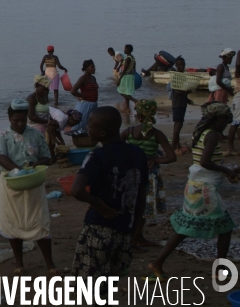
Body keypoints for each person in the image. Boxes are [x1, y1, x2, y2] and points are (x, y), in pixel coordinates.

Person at [148, 102, 239, 280]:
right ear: (217, 119)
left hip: (196, 187)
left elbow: (204, 162)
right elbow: (205, 162)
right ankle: (220, 270)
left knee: (186, 228)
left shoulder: (202, 132)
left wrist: (227, 170)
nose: (225, 126)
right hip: (204, 190)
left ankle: (158, 262)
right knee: (224, 228)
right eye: (224, 121)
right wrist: (227, 171)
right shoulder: (212, 135)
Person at [71, 106, 148, 284]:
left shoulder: (97, 156)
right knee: (112, 279)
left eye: (90, 124)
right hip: (125, 228)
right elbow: (141, 194)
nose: (87, 128)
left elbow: (77, 190)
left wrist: (96, 202)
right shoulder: (138, 154)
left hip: (98, 228)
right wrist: (136, 229)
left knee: (94, 285)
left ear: (103, 132)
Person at [0, 99, 57, 275]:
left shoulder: (35, 134)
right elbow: (0, 157)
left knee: (40, 221)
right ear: (9, 119)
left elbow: (47, 157)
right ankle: (19, 263)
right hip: (10, 185)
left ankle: (50, 264)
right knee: (14, 223)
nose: (20, 124)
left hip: (33, 183)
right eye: (16, 121)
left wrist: (34, 165)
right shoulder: (2, 135)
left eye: (23, 120)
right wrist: (18, 170)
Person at [121, 100, 176, 252]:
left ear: (138, 115)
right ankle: (135, 240)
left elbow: (114, 148)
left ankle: (137, 238)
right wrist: (154, 159)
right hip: (149, 175)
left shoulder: (129, 132)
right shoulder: (157, 134)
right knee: (143, 209)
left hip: (131, 174)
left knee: (133, 207)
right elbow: (172, 157)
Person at [170, 57, 195, 154]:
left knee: (178, 123)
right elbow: (177, 90)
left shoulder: (181, 75)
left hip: (181, 102)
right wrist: (187, 91)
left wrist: (187, 99)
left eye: (183, 65)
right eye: (179, 65)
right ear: (176, 65)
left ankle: (177, 145)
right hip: (178, 103)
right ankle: (173, 146)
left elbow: (181, 91)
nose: (181, 66)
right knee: (178, 124)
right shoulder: (177, 76)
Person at [70, 59, 99, 133]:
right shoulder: (83, 78)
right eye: (91, 67)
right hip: (85, 105)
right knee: (81, 124)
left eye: (94, 67)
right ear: (86, 68)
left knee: (90, 123)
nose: (94, 68)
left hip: (93, 104)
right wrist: (82, 95)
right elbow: (73, 91)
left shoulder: (93, 78)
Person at [117, 44, 138, 112]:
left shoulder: (128, 58)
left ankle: (135, 101)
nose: (124, 50)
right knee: (126, 92)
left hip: (126, 76)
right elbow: (134, 68)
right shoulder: (132, 57)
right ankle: (127, 108)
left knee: (121, 91)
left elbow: (125, 69)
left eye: (125, 49)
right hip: (130, 76)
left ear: (128, 50)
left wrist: (119, 79)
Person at [228, 49, 240, 155]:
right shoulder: (238, 72)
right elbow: (238, 64)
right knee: (236, 122)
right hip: (239, 97)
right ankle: (230, 147)